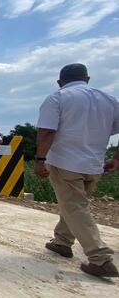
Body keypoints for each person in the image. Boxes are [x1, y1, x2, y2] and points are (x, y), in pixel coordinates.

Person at [35, 63, 119, 278]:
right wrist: (116, 159)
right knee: (75, 205)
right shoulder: (109, 100)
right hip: (94, 165)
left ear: (59, 81)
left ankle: (100, 259)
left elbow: (46, 132)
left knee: (75, 207)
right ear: (87, 78)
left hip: (65, 162)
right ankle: (62, 241)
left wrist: (40, 160)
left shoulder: (57, 98)